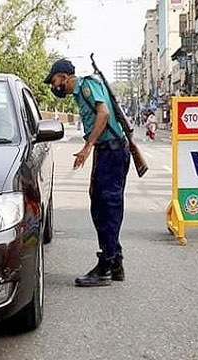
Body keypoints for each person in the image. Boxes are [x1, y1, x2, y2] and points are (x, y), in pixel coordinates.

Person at [44, 59, 130, 287]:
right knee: (99, 206)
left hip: (112, 152)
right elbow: (98, 131)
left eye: (54, 82)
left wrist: (87, 146)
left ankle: (106, 267)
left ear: (63, 76)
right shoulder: (81, 94)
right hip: (106, 152)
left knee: (108, 208)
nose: (54, 87)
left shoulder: (86, 86)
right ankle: (115, 263)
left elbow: (102, 115)